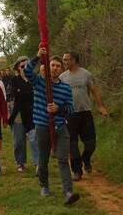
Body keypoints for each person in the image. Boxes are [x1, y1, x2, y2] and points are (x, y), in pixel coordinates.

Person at [24, 47, 80, 206]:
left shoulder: (65, 88)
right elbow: (27, 72)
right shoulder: (40, 82)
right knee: (43, 160)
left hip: (60, 127)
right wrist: (36, 57)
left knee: (63, 159)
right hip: (42, 126)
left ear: (62, 69)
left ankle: (68, 192)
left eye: (58, 66)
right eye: (52, 65)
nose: (55, 68)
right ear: (47, 67)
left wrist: (59, 109)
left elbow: (70, 109)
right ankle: (44, 186)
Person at [61, 51, 109, 181]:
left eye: (67, 59)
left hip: (85, 113)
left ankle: (86, 159)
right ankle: (77, 171)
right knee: (73, 144)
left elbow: (94, 91)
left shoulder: (86, 74)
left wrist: (100, 106)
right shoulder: (62, 77)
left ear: (74, 60)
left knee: (90, 143)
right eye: (63, 59)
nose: (64, 62)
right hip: (70, 115)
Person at [7, 56, 37, 172]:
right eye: (22, 66)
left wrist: (22, 92)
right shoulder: (14, 80)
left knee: (34, 139)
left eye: (27, 66)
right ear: (18, 68)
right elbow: (11, 97)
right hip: (18, 114)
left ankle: (37, 163)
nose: (25, 68)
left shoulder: (35, 79)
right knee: (19, 141)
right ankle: (20, 163)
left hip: (34, 113)